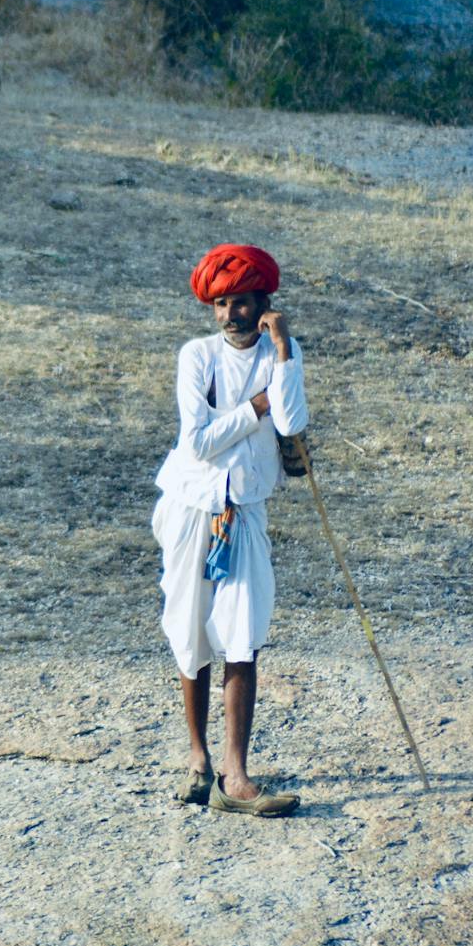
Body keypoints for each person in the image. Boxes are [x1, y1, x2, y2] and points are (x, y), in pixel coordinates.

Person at [152, 244, 308, 817]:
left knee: (243, 635)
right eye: (221, 303)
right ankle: (197, 761)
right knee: (190, 630)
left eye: (241, 302)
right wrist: (256, 407)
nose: (230, 315)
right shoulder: (196, 356)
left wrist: (284, 353)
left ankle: (234, 776)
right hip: (192, 505)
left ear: (263, 303)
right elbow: (197, 441)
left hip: (246, 509)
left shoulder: (280, 354)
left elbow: (291, 421)